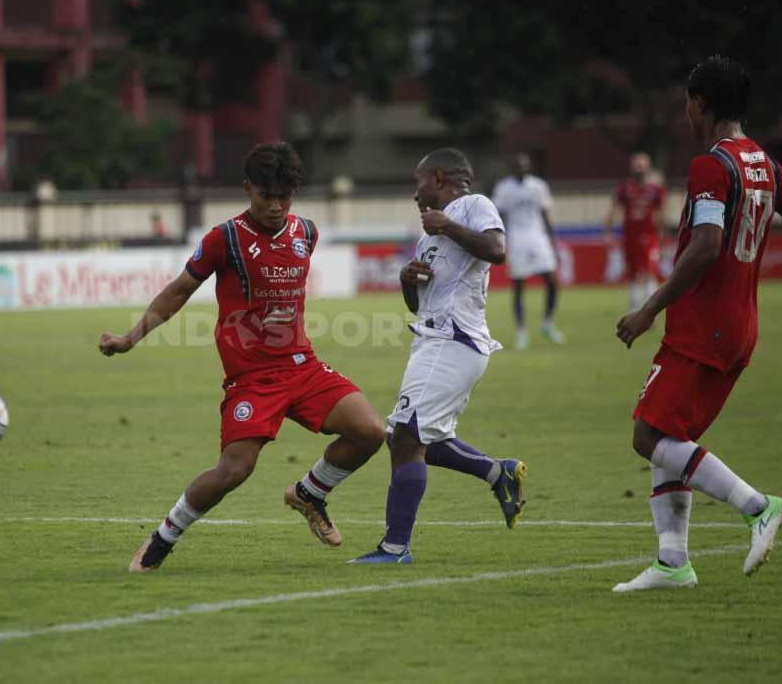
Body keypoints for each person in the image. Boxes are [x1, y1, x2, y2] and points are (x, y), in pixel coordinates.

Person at [612, 56, 782, 592]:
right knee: (669, 431)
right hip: (738, 324)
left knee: (647, 436)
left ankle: (758, 506)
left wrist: (649, 308)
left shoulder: (712, 165)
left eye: (687, 103)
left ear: (700, 104)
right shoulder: (762, 163)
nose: (686, 113)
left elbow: (705, 247)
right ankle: (672, 562)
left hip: (703, 326)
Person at [98, 142, 386, 572]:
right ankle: (162, 538)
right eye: (266, 196)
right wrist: (130, 337)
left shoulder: (306, 232)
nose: (276, 206)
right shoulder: (225, 238)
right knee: (234, 471)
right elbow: (179, 291)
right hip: (253, 378)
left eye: (284, 197)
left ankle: (310, 493)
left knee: (371, 432)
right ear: (247, 188)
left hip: (303, 366)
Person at [351, 149, 527, 564]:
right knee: (413, 436)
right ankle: (497, 472)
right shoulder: (428, 235)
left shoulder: (474, 205)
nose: (415, 195)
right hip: (432, 340)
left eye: (418, 185)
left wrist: (447, 224)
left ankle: (395, 548)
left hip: (455, 341)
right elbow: (419, 304)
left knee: (407, 437)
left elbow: (497, 249)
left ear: (437, 178)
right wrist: (406, 280)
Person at [491, 153, 564, 349]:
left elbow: (545, 213)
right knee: (518, 285)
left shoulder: (538, 186)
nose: (521, 169)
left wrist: (553, 241)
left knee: (552, 281)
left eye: (524, 166)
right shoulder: (504, 188)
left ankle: (547, 323)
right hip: (517, 239)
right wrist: (500, 241)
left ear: (529, 167)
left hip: (538, 237)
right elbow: (499, 216)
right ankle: (521, 332)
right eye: (518, 166)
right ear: (512, 168)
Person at [606, 152, 667, 311]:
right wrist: (609, 231)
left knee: (650, 271)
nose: (639, 169)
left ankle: (650, 309)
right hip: (630, 236)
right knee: (632, 272)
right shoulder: (624, 188)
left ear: (648, 167)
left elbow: (661, 212)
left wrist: (662, 233)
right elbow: (614, 209)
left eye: (642, 165)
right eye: (637, 165)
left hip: (649, 235)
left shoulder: (655, 189)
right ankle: (633, 308)